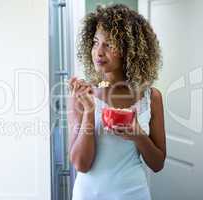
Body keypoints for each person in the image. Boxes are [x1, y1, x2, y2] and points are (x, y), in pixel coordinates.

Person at [67, 4, 166, 200]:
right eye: (95, 42)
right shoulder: (84, 95)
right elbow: (81, 164)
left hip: (133, 193)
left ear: (130, 49)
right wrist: (89, 112)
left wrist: (138, 135)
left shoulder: (151, 97)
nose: (99, 52)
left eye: (109, 44)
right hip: (88, 195)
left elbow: (157, 164)